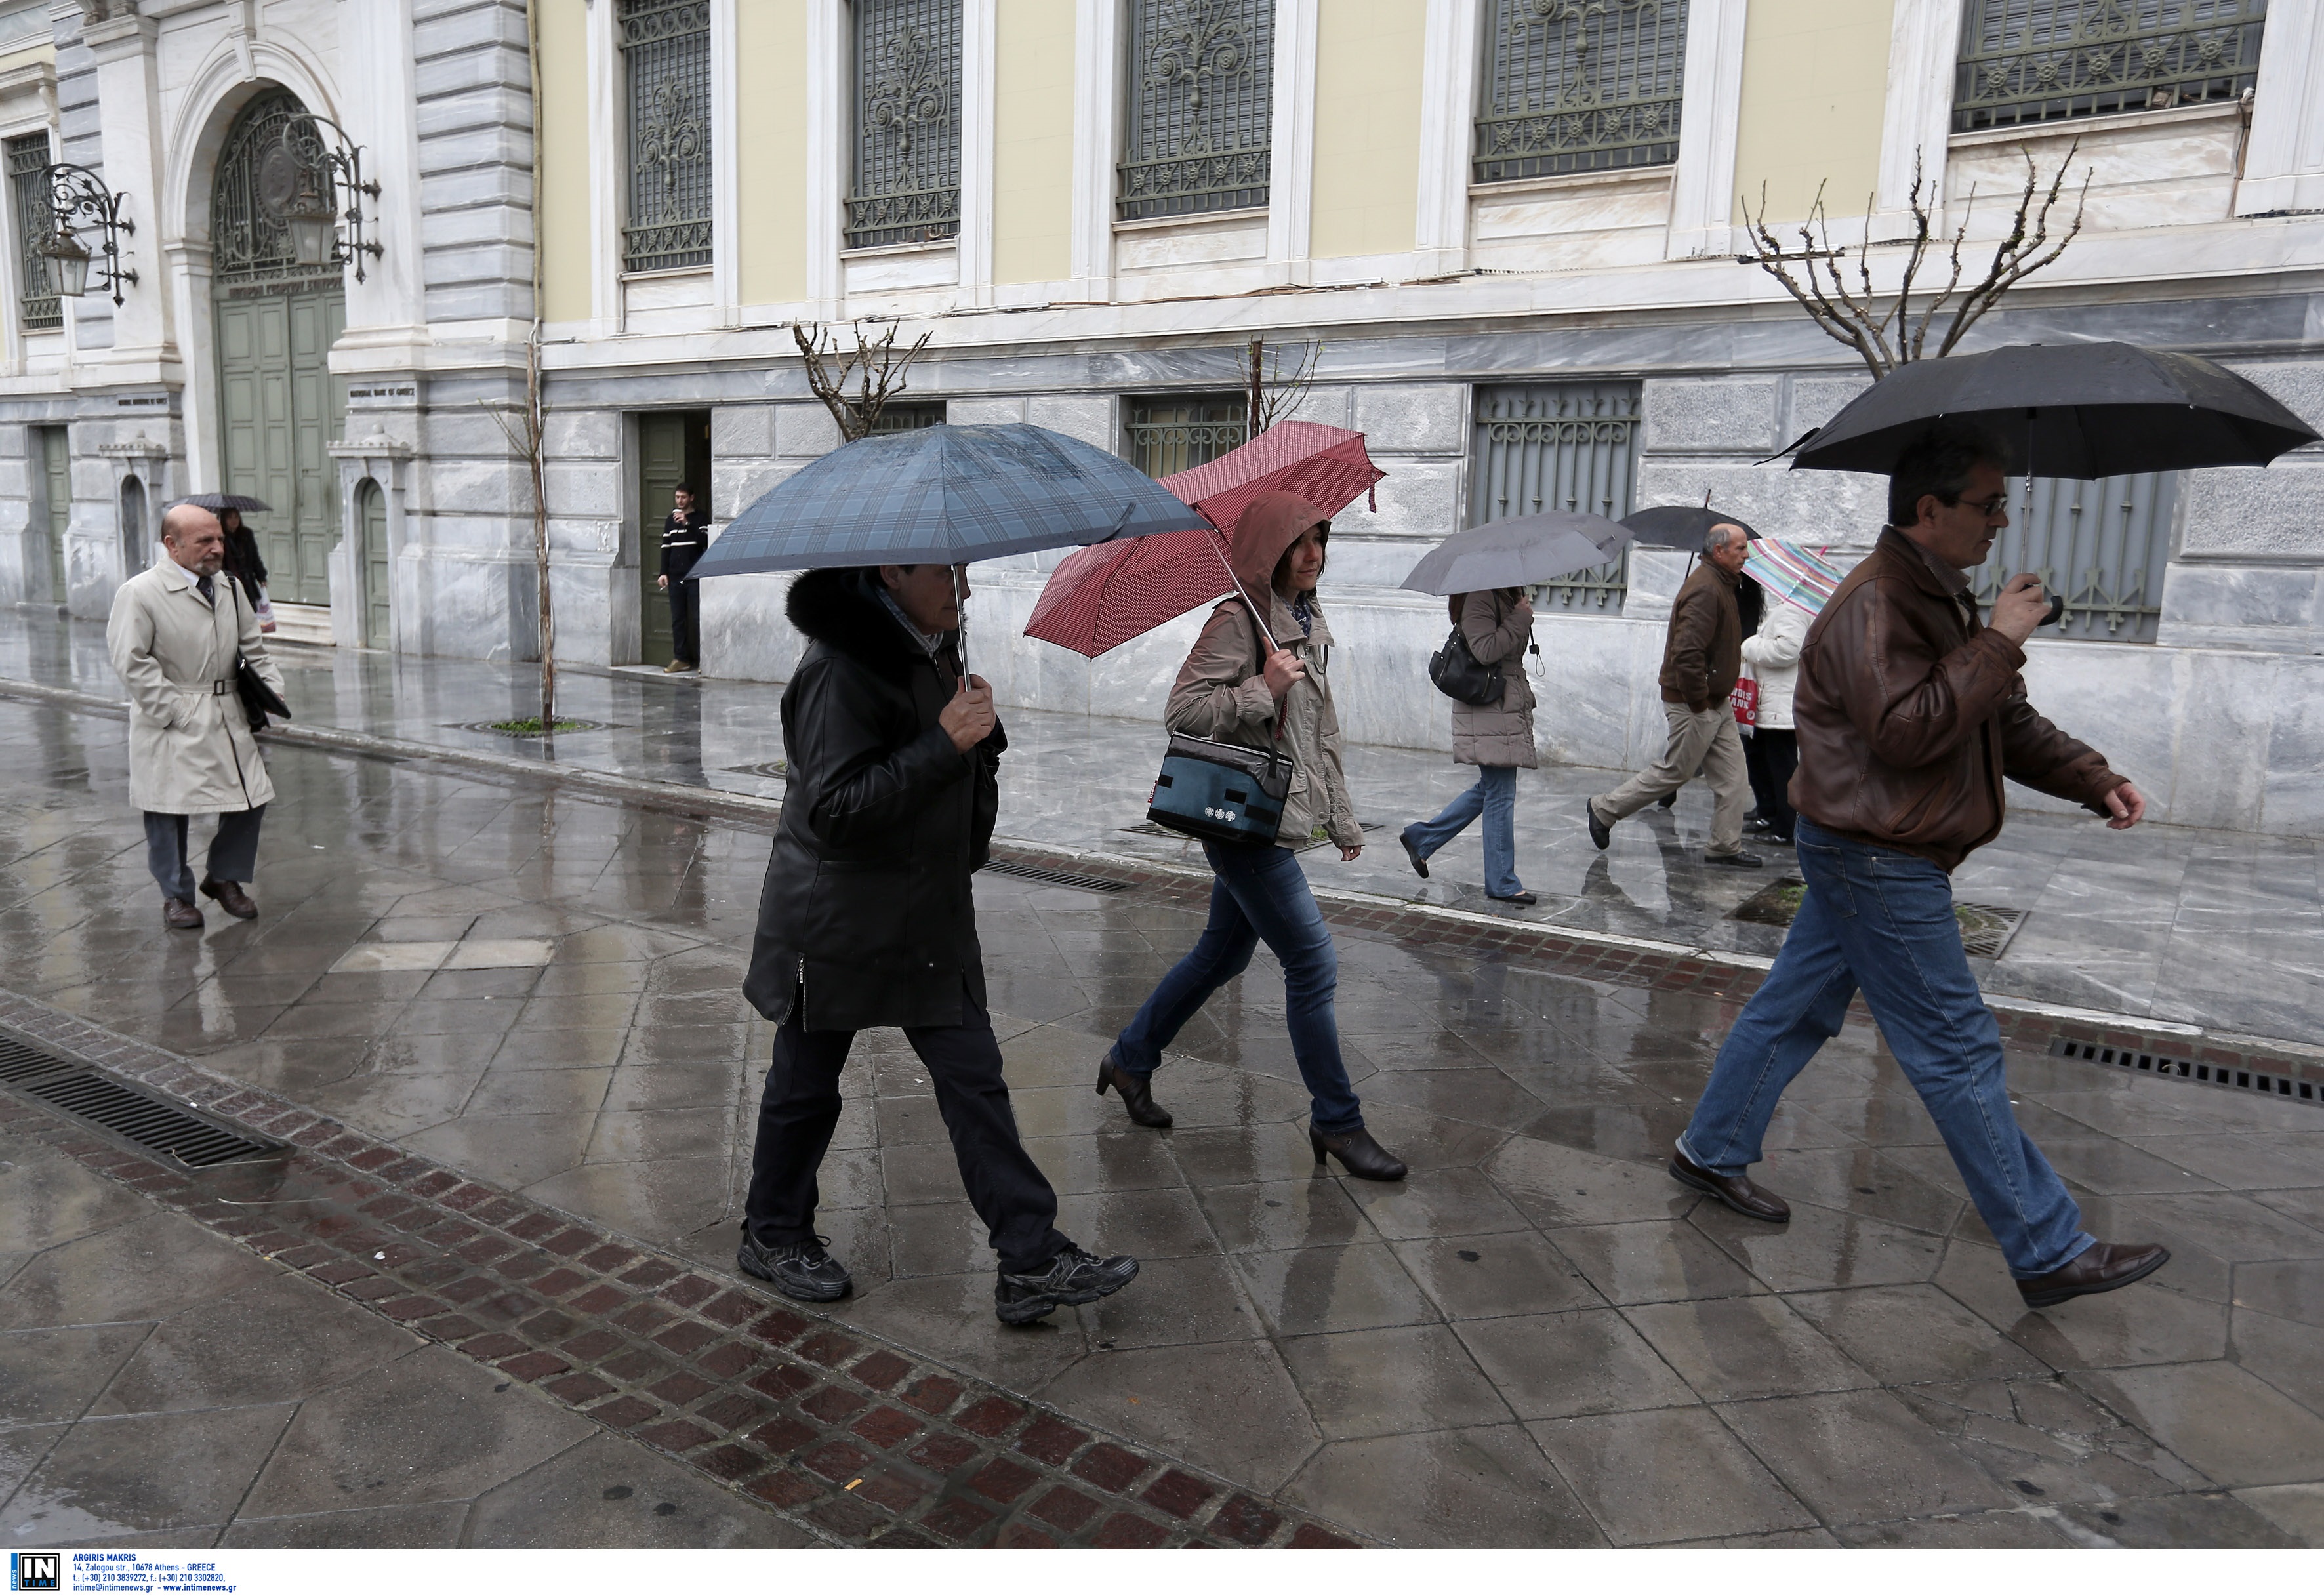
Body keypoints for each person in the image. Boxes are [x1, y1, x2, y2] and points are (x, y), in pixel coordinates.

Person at [1670, 423, 2168, 1311]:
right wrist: (2003, 637)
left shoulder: (1936, 595)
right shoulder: (1877, 605)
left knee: (1792, 1009)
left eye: (2002, 506)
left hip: (1869, 844)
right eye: (1986, 506)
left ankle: (1706, 1149)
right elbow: (1906, 731)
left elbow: (1997, 719)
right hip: (1876, 854)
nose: (1999, 524)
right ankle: (2046, 1245)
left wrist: (2094, 778)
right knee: (1954, 1046)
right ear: (1929, 509)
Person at [737, 560, 1138, 1324]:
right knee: (805, 1086)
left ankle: (1029, 1257)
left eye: (967, 570)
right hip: (837, 919)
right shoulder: (838, 667)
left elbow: (946, 777)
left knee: (974, 1080)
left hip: (926, 912)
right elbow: (833, 811)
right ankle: (773, 1233)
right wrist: (945, 744)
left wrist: (980, 737)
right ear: (894, 572)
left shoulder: (936, 650)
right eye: (950, 571)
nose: (967, 586)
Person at [1096, 491, 1406, 1181]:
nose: (1313, 554)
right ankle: (1338, 1121)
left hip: (1274, 814)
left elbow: (1319, 732)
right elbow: (1183, 711)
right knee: (1313, 965)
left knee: (1223, 955)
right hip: (1242, 823)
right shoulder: (1239, 621)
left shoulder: (1301, 617)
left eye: (1321, 538)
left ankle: (1129, 1059)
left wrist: (1342, 819)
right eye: (1299, 543)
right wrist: (1261, 689)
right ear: (1269, 552)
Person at [105, 504, 284, 930]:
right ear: (172, 544)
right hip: (172, 711)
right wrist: (175, 710)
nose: (217, 548)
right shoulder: (140, 592)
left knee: (249, 797)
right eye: (205, 540)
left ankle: (224, 877)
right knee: (168, 807)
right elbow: (131, 661)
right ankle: (175, 895)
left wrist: (272, 689)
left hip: (226, 711)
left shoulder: (229, 587)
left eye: (219, 539)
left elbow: (253, 649)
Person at [1585, 523, 1759, 868]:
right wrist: (1699, 702)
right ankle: (1604, 808)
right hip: (1695, 702)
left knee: (1734, 777)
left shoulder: (1722, 584)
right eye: (1740, 549)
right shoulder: (1706, 590)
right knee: (1675, 771)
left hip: (1715, 701)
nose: (1746, 554)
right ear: (1719, 551)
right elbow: (1687, 652)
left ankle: (1725, 846)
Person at [1399, 586, 1538, 904]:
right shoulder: (1480, 596)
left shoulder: (1504, 592)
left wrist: (1518, 614)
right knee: (1500, 791)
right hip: (1489, 704)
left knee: (1490, 789)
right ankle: (1501, 881)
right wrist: (1519, 618)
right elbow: (1484, 650)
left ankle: (1422, 839)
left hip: (1502, 702)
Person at [1739, 594, 1809, 844]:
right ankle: (1768, 812)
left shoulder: (1792, 611)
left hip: (1781, 704)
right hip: (1770, 700)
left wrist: (1750, 646)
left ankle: (1786, 828)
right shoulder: (1783, 608)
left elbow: (1789, 649)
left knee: (1782, 767)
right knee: (1761, 758)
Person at [656, 483, 711, 673]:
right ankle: (681, 658)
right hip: (675, 577)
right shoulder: (670, 521)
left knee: (697, 618)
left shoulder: (700, 518)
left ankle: (702, 659)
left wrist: (687, 524)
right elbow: (665, 547)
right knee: (678, 619)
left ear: (691, 498)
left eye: (683, 497)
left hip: (694, 575)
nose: (680, 501)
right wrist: (663, 572)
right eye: (677, 497)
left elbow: (704, 541)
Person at [217, 507, 274, 634]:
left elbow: (254, 557)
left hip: (246, 580)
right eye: (230, 517)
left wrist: (261, 576)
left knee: (249, 611)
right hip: (228, 580)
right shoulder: (219, 537)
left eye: (236, 517)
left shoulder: (246, 534)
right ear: (224, 520)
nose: (234, 521)